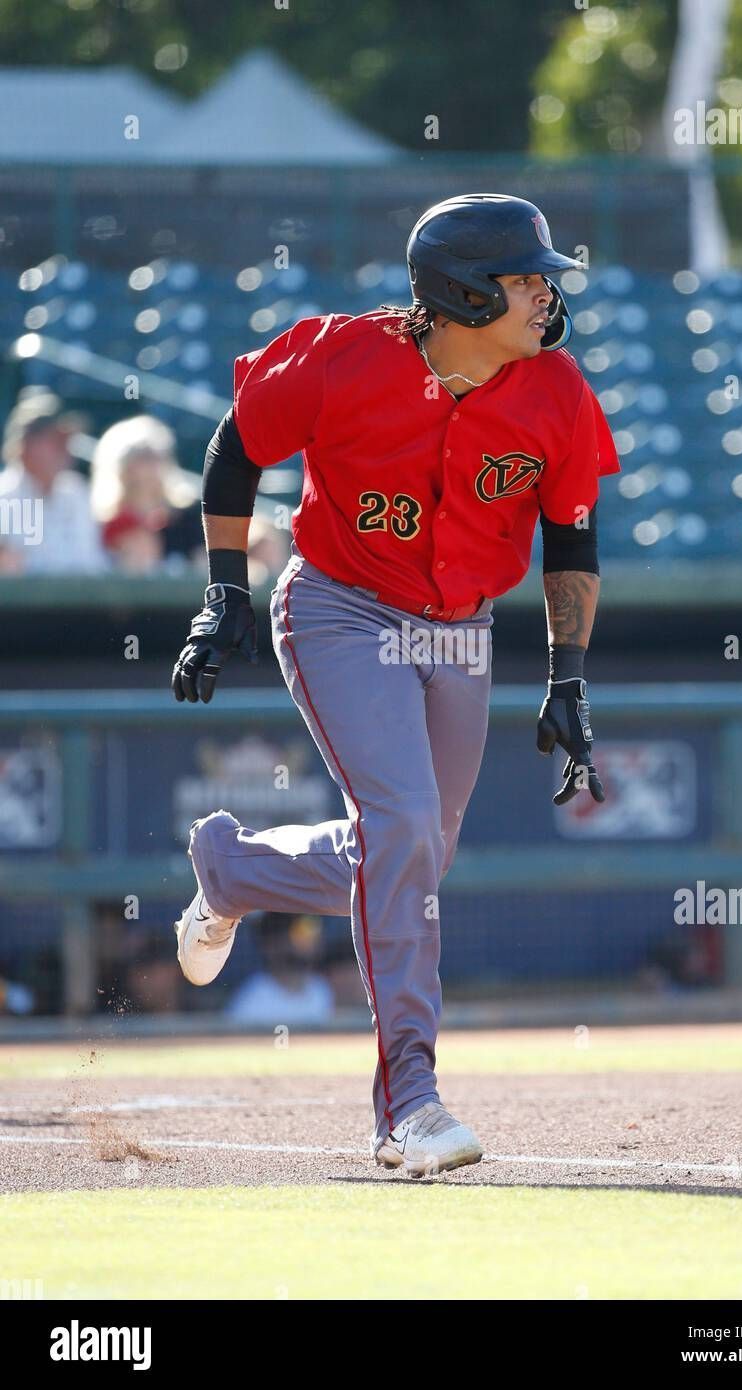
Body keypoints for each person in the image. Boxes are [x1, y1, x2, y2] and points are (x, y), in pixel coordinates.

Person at [170, 194, 620, 1177]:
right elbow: (237, 446)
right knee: (404, 829)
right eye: (522, 276)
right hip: (341, 606)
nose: (545, 290)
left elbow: (572, 536)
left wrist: (567, 675)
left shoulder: (553, 388)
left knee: (417, 850)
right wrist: (221, 592)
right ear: (460, 292)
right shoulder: (340, 356)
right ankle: (406, 1102)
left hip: (460, 627)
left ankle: (233, 872)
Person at [0, 389, 105, 573]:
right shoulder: (5, 495)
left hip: (80, 600)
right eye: (55, 439)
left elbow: (92, 562)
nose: (64, 448)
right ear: (25, 444)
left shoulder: (76, 491)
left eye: (66, 440)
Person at [90, 414, 204, 571]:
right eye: (144, 457)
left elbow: (204, 570)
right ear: (123, 467)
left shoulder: (188, 519)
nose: (154, 465)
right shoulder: (104, 523)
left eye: (160, 457)